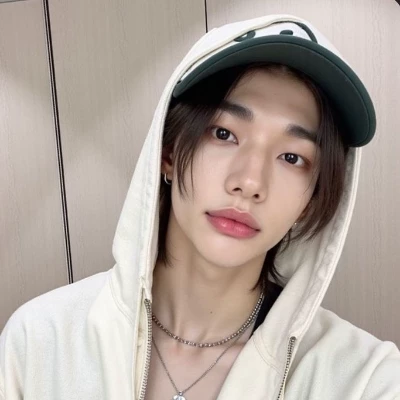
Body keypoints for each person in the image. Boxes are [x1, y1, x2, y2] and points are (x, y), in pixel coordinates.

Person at [1, 13, 399, 400]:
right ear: (168, 154)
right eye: (224, 133)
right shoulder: (39, 342)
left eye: (292, 157)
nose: (249, 182)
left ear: (311, 202)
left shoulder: (366, 379)